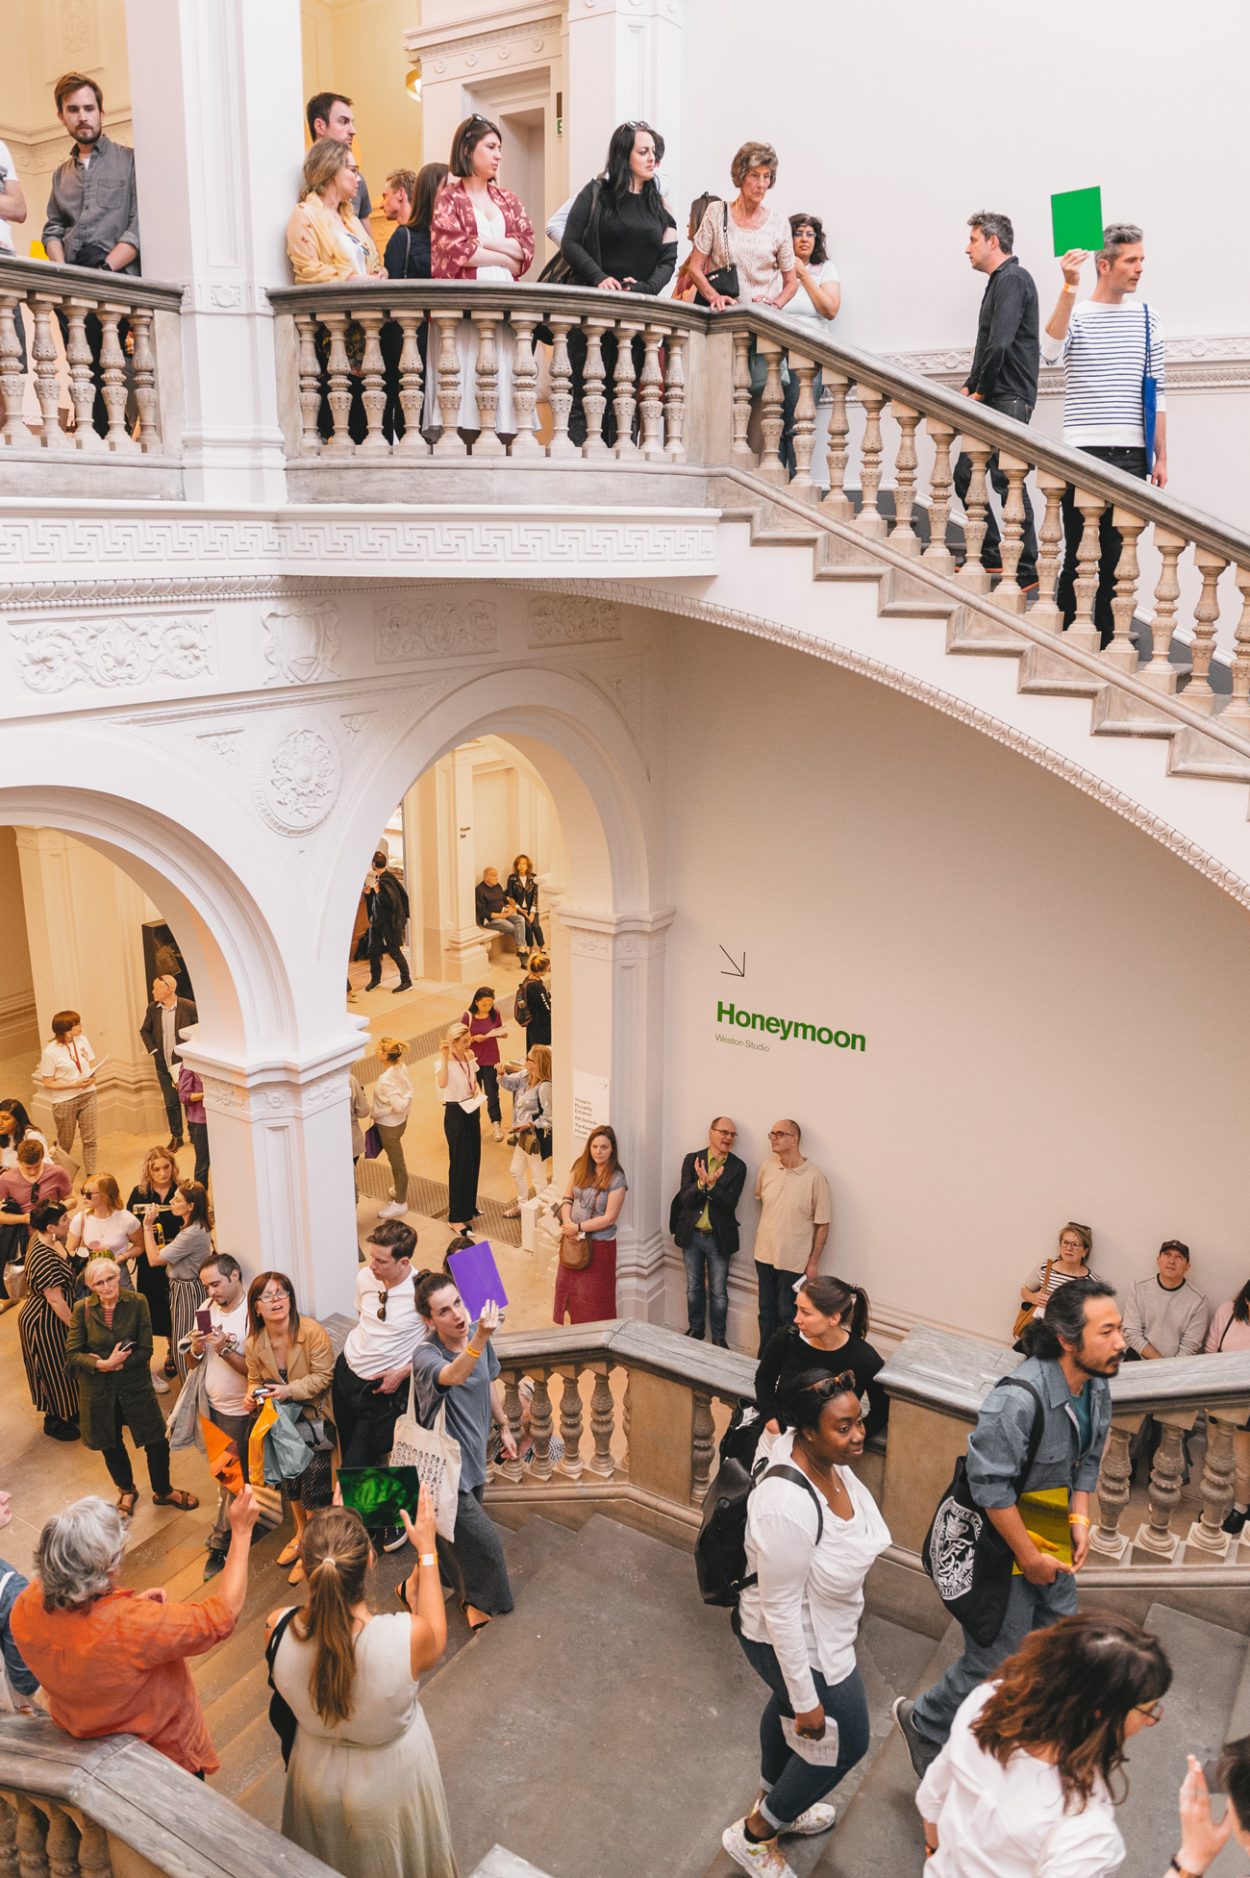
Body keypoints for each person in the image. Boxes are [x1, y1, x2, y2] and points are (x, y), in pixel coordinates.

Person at [895, 1278, 1122, 1771]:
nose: (1121, 1342)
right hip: (1003, 1544)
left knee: (1055, 1644)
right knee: (992, 1658)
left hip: (1051, 1526)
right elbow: (990, 1490)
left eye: (1119, 1329)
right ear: (1067, 1339)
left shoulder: (1098, 1388)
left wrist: (1079, 1521)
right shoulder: (1016, 1401)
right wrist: (1030, 1557)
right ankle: (926, 1722)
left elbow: (1086, 1464)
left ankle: (1009, 1732)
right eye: (1107, 1331)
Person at [722, 1370, 888, 1877]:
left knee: (786, 1710)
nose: (858, 1434)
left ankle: (776, 1802)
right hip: (792, 1641)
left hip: (827, 1629)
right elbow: (781, 1613)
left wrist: (794, 1700)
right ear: (808, 1432)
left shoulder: (828, 1460)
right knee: (843, 1741)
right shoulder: (786, 1505)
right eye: (844, 1427)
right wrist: (807, 1700)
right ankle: (755, 1836)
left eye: (858, 1421)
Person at [268, 1499, 458, 1878]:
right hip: (392, 1783)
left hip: (314, 1780)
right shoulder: (407, 1639)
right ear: (371, 1561)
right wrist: (428, 1552)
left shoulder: (277, 1629)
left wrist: (330, 1530)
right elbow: (435, 1634)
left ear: (306, 1570)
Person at [12, 1487, 257, 1776]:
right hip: (162, 1758)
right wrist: (240, 1532)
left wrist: (126, 1609)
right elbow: (220, 1617)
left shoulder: (24, 1606)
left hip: (91, 1750)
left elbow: (83, 1647)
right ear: (106, 1566)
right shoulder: (131, 1626)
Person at [916, 1613, 1171, 1877]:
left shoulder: (988, 1701)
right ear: (1100, 1713)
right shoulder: (1086, 1831)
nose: (1152, 1720)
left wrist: (935, 1854)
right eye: (1148, 1711)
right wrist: (1188, 1865)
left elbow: (933, 1793)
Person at [1042, 223, 1166, 646]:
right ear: (1105, 264)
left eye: (1141, 260)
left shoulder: (1148, 317)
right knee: (1079, 553)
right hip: (1084, 452)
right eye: (1132, 260)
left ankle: (1113, 642)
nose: (1139, 269)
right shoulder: (1075, 312)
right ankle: (1063, 637)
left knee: (1118, 560)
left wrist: (1161, 457)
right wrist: (1067, 287)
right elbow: (1052, 351)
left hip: (1133, 454)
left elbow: (1157, 390)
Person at [560, 121, 678, 446]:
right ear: (624, 156)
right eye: (643, 151)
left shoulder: (661, 206)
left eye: (653, 151)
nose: (652, 158)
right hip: (590, 315)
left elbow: (669, 259)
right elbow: (570, 242)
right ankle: (581, 469)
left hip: (635, 317)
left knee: (624, 399)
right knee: (585, 395)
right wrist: (598, 277)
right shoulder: (597, 192)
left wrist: (646, 289)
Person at [412, 1275, 517, 1631]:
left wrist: (503, 1424)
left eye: (458, 1302)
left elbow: (485, 1380)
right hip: (445, 1468)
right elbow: (454, 1375)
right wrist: (480, 1337)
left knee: (454, 1537)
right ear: (429, 1321)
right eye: (444, 1310)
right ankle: (479, 1600)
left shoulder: (475, 1336)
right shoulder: (426, 1355)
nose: (457, 1314)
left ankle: (413, 1584)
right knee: (483, 1541)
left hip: (473, 1456)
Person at [42, 73, 140, 437]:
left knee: (108, 367)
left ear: (101, 112)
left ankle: (114, 434)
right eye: (73, 110)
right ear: (61, 116)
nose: (82, 116)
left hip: (114, 278)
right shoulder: (60, 175)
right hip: (72, 283)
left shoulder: (129, 162)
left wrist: (105, 267)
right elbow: (52, 227)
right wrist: (61, 270)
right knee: (82, 368)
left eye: (89, 108)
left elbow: (138, 225)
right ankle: (98, 435)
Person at [65, 1257, 200, 1516]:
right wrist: (103, 1364)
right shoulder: (82, 1309)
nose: (106, 1287)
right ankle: (126, 1490)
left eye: (110, 1279)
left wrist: (118, 1364)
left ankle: (163, 1490)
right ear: (91, 1286)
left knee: (156, 1440)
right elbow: (72, 1353)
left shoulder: (137, 1302)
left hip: (134, 1385)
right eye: (99, 1283)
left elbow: (146, 1349)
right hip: (99, 1391)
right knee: (110, 1442)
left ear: (118, 1276)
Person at [429, 114, 535, 439]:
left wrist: (483, 242)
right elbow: (455, 250)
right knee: (469, 368)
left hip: (504, 296)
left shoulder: (508, 199)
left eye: (500, 147)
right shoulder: (449, 197)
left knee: (501, 371)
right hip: (467, 301)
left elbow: (526, 251)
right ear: (467, 148)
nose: (498, 155)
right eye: (490, 147)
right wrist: (505, 254)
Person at [954, 212, 1040, 587]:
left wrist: (981, 391)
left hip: (1007, 397)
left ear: (993, 241)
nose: (967, 248)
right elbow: (988, 343)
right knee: (963, 475)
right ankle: (990, 555)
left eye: (973, 240)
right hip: (994, 395)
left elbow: (1001, 342)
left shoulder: (1013, 279)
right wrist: (970, 384)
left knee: (1008, 481)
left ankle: (1026, 567)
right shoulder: (998, 281)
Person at [244, 1270, 335, 1584]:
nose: (276, 1300)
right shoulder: (254, 1343)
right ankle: (300, 1533)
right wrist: (250, 1395)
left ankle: (314, 1548)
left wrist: (288, 1390)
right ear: (256, 1307)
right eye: (267, 1296)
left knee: (314, 1490)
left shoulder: (311, 1331)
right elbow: (255, 1379)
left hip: (315, 1418)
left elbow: (324, 1377)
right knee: (290, 1486)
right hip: (281, 1424)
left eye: (282, 1293)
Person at [332, 1220, 425, 1470]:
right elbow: (364, 1318)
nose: (371, 1265)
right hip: (345, 1376)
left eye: (381, 1261)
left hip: (380, 1393)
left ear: (403, 1262)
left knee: (356, 1467)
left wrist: (402, 1373)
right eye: (372, 1257)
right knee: (344, 1449)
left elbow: (441, 1344)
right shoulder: (365, 1277)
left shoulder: (422, 1292)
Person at [756, 1276, 887, 1439]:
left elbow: (881, 1412)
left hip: (826, 1456)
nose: (796, 1319)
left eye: (806, 1312)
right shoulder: (786, 1339)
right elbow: (763, 1379)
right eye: (797, 1309)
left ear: (833, 1318)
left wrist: (846, 1438)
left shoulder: (864, 1358)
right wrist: (771, 1419)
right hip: (777, 1439)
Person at [686, 141, 796, 327]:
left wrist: (775, 305)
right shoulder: (717, 212)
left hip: (764, 323)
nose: (761, 184)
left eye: (766, 177)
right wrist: (715, 297)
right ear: (741, 176)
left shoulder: (779, 223)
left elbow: (791, 283)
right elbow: (694, 268)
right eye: (755, 176)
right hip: (725, 319)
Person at [190, 1253, 252, 1582]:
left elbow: (256, 1369)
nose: (211, 1291)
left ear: (235, 1276)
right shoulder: (205, 1310)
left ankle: (220, 1542)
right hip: (210, 1407)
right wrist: (198, 1348)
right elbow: (192, 1362)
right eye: (207, 1285)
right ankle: (238, 1526)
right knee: (227, 1477)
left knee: (233, 1479)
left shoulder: (249, 1315)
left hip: (240, 1412)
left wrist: (225, 1349)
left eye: (216, 1283)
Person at [753, 1121, 831, 1355]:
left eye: (780, 1134)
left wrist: (813, 1262)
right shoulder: (767, 1168)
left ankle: (784, 1362)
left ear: (794, 1139)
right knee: (766, 1312)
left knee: (789, 1315)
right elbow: (760, 1198)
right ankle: (763, 1358)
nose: (773, 1138)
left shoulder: (815, 1177)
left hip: (794, 1261)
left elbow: (823, 1223)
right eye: (772, 1134)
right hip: (764, 1254)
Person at [669, 1116, 747, 1346]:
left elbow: (729, 1204)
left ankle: (719, 1338)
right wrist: (701, 1184)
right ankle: (696, 1330)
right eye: (724, 1132)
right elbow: (685, 1198)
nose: (728, 1138)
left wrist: (712, 1186)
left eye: (732, 1134)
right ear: (711, 1132)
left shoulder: (737, 1167)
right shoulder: (692, 1160)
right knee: (693, 1287)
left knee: (719, 1292)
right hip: (692, 1235)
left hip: (718, 1238)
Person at [778, 212, 841, 477]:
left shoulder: (824, 269)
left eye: (810, 234)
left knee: (799, 424)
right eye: (798, 233)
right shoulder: (775, 270)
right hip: (776, 353)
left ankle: (798, 482)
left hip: (809, 357)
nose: (804, 239)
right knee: (773, 424)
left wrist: (804, 275)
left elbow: (830, 309)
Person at [140, 1179, 213, 1382]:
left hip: (188, 1292)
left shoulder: (191, 1233)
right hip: (194, 1288)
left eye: (177, 1199)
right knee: (198, 1336)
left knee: (186, 1342)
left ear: (190, 1206)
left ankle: (189, 1394)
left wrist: (147, 1226)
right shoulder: (197, 1227)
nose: (171, 1201)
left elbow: (154, 1260)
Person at [554, 1125, 627, 1325]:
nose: (598, 1151)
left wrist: (578, 1228)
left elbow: (610, 1217)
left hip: (599, 1246)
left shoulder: (617, 1178)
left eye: (604, 1147)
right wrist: (568, 1223)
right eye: (594, 1146)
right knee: (569, 1292)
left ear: (612, 1149)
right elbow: (567, 1197)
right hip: (573, 1242)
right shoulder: (580, 1165)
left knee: (595, 1300)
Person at [19, 1199, 79, 1442]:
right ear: (51, 1227)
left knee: (64, 1365)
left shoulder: (48, 1239)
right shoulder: (42, 1257)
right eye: (64, 1220)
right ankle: (53, 1419)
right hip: (43, 1322)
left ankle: (71, 1409)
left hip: (53, 1317)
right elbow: (55, 1301)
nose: (69, 1222)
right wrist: (76, 1326)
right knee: (51, 1369)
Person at [286, 137, 383, 286]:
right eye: (353, 170)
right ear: (331, 169)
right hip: (336, 306)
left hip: (367, 304)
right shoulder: (304, 214)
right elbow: (308, 271)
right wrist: (358, 280)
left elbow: (373, 264)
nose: (359, 179)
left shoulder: (352, 220)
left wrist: (382, 273)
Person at [127, 1147, 181, 1385]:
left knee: (174, 1304)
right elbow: (130, 1227)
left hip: (175, 1256)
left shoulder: (181, 1192)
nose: (162, 1173)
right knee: (150, 1306)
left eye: (166, 1167)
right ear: (148, 1170)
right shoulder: (139, 1194)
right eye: (156, 1168)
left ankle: (173, 1350)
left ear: (173, 1167)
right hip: (149, 1260)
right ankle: (146, 1360)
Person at [138, 974, 198, 1153]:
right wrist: (154, 1050)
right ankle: (176, 1136)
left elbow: (197, 1031)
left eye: (156, 987)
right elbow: (145, 1030)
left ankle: (194, 1133)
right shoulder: (153, 1009)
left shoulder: (189, 1007)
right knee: (171, 1102)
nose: (153, 991)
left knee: (188, 1100)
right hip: (163, 1064)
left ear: (169, 988)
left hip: (184, 1065)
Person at [1123, 1239, 1209, 1360]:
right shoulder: (1138, 1289)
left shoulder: (1198, 1300)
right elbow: (1131, 1333)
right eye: (1167, 1254)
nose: (1171, 1261)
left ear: (1187, 1266)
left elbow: (1190, 1346)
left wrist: (1169, 1369)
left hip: (1177, 1365)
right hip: (1138, 1358)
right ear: (1158, 1260)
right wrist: (1160, 1363)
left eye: (1179, 1257)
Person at [37, 1009, 98, 1176]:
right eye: (76, 1024)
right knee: (65, 1143)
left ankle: (91, 1176)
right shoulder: (50, 1052)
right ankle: (60, 1177)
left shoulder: (83, 1040)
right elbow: (48, 1082)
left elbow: (90, 1063)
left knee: (90, 1140)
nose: (80, 1026)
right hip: (65, 1101)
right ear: (65, 1029)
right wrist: (74, 1084)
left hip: (88, 1095)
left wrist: (92, 1077)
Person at [1016, 1221, 1099, 1345]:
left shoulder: (1092, 1281)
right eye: (1065, 1243)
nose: (1069, 1248)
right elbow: (1025, 1289)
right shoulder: (1046, 1267)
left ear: (1085, 1251)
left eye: (1075, 1244)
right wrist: (1033, 1297)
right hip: (1034, 1333)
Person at [435, 1023, 483, 1236]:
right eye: (464, 1041)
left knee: (474, 1159)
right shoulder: (442, 1062)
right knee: (460, 1163)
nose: (468, 1043)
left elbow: (474, 1078)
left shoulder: (470, 1055)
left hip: (471, 1108)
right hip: (455, 1113)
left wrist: (477, 1090)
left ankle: (469, 1206)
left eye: (469, 1039)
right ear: (453, 1042)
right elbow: (443, 1084)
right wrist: (445, 1058)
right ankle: (456, 1217)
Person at [499, 1043, 553, 1218]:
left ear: (537, 1063)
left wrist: (531, 1125)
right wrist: (501, 1076)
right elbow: (510, 1083)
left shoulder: (545, 1087)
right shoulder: (524, 1075)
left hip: (535, 1138)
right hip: (522, 1137)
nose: (525, 1059)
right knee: (516, 1170)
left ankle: (545, 1213)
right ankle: (523, 1205)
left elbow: (550, 1117)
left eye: (529, 1058)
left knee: (538, 1178)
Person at [67, 1174, 143, 1289]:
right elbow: (69, 1249)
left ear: (106, 1195)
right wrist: (85, 1258)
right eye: (83, 1192)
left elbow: (140, 1246)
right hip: (91, 1275)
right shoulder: (81, 1219)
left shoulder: (127, 1219)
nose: (83, 1197)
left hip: (118, 1273)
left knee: (126, 1305)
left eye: (88, 1194)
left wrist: (123, 1257)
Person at [305, 91, 371, 221]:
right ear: (320, 126)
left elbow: (366, 240)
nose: (353, 131)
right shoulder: (299, 178)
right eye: (343, 121)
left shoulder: (357, 180)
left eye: (352, 123)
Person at [371, 1037, 413, 1221]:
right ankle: (399, 1187)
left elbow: (398, 1105)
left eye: (379, 1050)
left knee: (397, 1163)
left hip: (389, 1125)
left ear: (386, 1055)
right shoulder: (400, 1067)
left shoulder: (387, 1079)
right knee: (395, 1160)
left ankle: (400, 1202)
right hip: (400, 1121)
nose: (376, 1052)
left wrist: (404, 1100)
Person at [461, 987, 506, 1143]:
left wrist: (501, 1033)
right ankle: (473, 1125)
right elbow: (460, 1037)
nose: (488, 1007)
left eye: (490, 1004)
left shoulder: (496, 1013)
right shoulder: (468, 1016)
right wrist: (473, 1039)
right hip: (472, 1060)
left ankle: (496, 1123)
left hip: (491, 1058)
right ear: (476, 1002)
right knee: (473, 1093)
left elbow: (500, 1030)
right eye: (484, 1004)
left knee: (492, 1092)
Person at [365, 849, 412, 992]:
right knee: (373, 950)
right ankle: (375, 979)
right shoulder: (379, 879)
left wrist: (377, 891)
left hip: (389, 923)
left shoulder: (387, 880)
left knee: (394, 951)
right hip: (377, 921)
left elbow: (391, 902)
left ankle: (406, 981)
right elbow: (376, 902)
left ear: (373, 864)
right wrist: (369, 893)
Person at [475, 865, 528, 962]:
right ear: (486, 877)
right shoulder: (479, 890)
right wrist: (502, 916)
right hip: (491, 920)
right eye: (494, 876)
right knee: (515, 928)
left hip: (504, 913)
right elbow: (483, 913)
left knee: (521, 919)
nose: (497, 878)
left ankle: (521, 949)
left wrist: (509, 907)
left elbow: (504, 899)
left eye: (497, 875)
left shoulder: (497, 886)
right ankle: (524, 955)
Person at [178, 1061, 210, 1188]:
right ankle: (201, 1199)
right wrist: (207, 1094)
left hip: (217, 1118)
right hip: (199, 1121)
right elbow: (184, 1096)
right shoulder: (188, 1065)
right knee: (203, 1163)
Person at [505, 854, 544, 954]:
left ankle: (542, 947)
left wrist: (532, 912)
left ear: (528, 866)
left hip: (532, 908)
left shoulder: (533, 877)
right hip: (519, 909)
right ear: (516, 866)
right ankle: (531, 948)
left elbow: (535, 896)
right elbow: (510, 896)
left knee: (535, 926)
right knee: (528, 926)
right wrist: (520, 910)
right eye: (519, 864)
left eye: (524, 864)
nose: (522, 866)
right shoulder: (512, 878)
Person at [515, 951, 551, 1048]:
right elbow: (547, 1008)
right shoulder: (537, 987)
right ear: (540, 971)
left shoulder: (527, 980)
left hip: (532, 1025)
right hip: (541, 1027)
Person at [0, 1098, 47, 1170]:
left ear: (18, 1120)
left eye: (6, 1118)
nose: (0, 1123)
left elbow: (45, 1166)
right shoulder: (4, 1134)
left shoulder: (32, 1136)